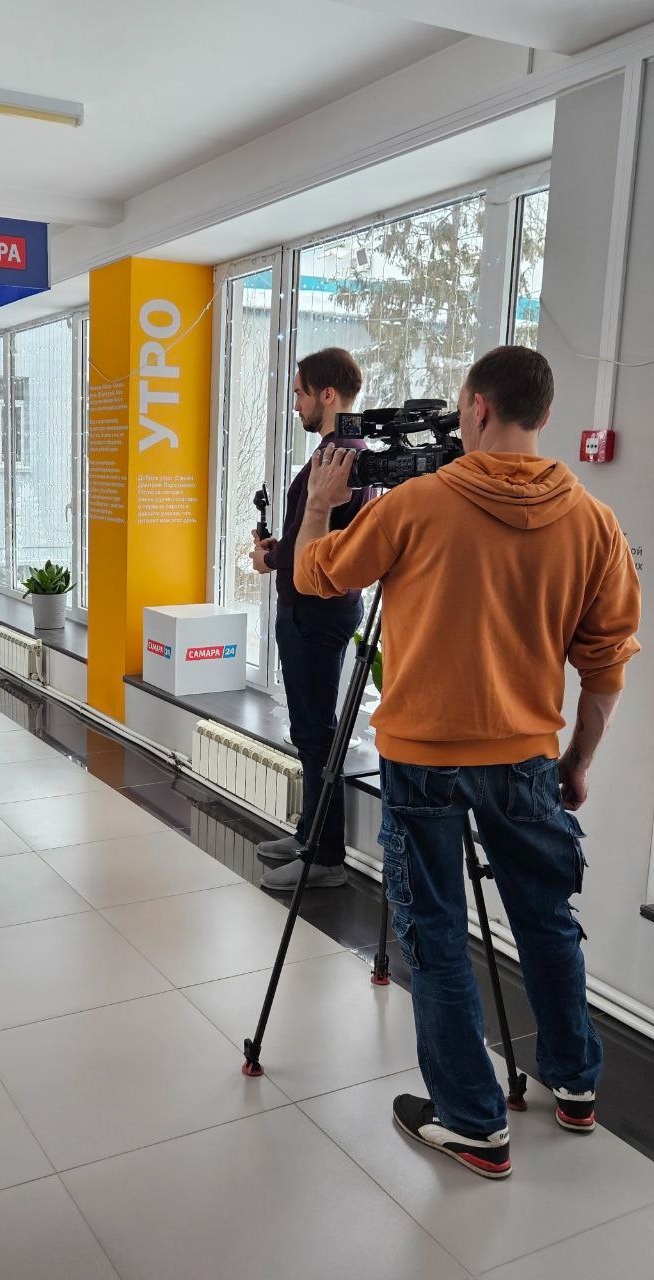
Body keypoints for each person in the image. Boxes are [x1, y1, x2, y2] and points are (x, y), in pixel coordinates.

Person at [294, 345, 640, 1179]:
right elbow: (606, 664)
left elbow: (315, 576)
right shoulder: (594, 522)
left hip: (422, 760)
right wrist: (578, 761)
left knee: (437, 933)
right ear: (543, 414)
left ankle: (473, 1122)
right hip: (528, 758)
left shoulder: (418, 505)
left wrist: (322, 506)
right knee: (547, 921)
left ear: (477, 407)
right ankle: (576, 1083)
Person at [251, 347, 371, 890]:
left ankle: (325, 857)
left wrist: (269, 558)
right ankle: (309, 834)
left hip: (317, 612)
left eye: (300, 393)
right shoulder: (339, 450)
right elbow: (311, 531)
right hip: (314, 608)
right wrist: (280, 550)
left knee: (318, 733)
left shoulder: (340, 456)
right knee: (308, 729)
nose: (296, 404)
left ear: (327, 394)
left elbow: (316, 543)